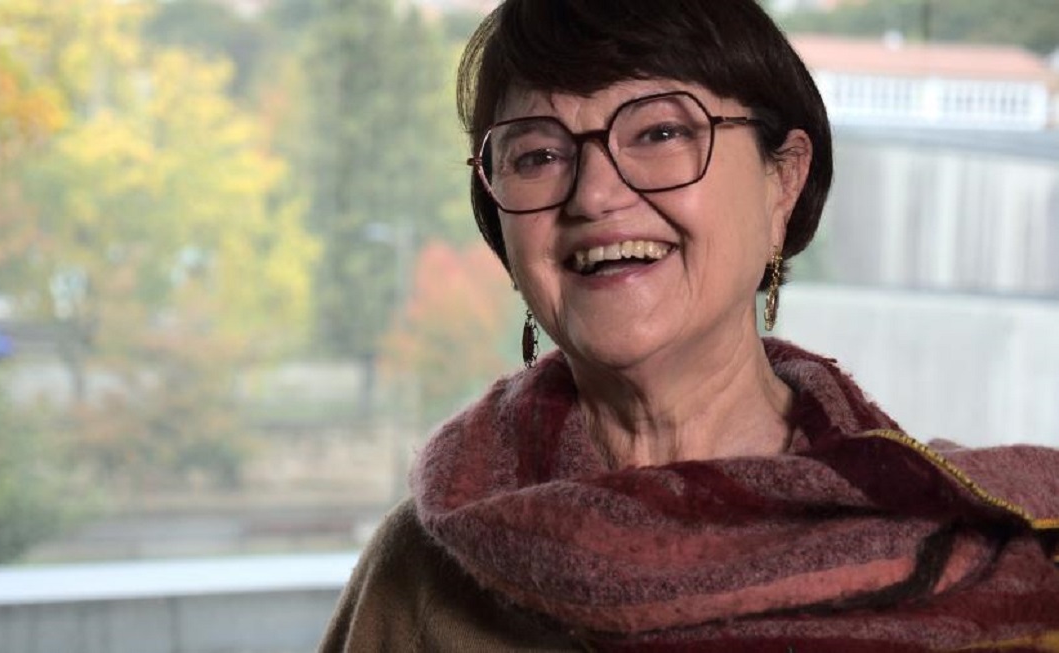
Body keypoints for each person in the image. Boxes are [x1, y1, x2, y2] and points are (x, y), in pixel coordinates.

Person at [321, 0, 1059, 650]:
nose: (595, 195)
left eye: (659, 132)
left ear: (783, 180)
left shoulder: (989, 550)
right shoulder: (422, 579)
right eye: (538, 154)